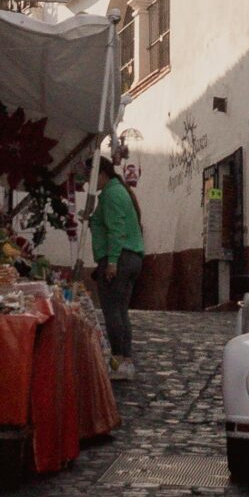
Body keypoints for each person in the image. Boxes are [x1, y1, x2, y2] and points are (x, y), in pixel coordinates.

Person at [90, 152, 144, 381]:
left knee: (112, 310)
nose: (89, 183)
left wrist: (111, 261)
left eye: (91, 177)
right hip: (132, 258)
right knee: (121, 311)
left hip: (119, 259)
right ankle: (126, 361)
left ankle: (119, 359)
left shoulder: (111, 194)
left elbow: (116, 229)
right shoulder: (117, 192)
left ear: (101, 174)